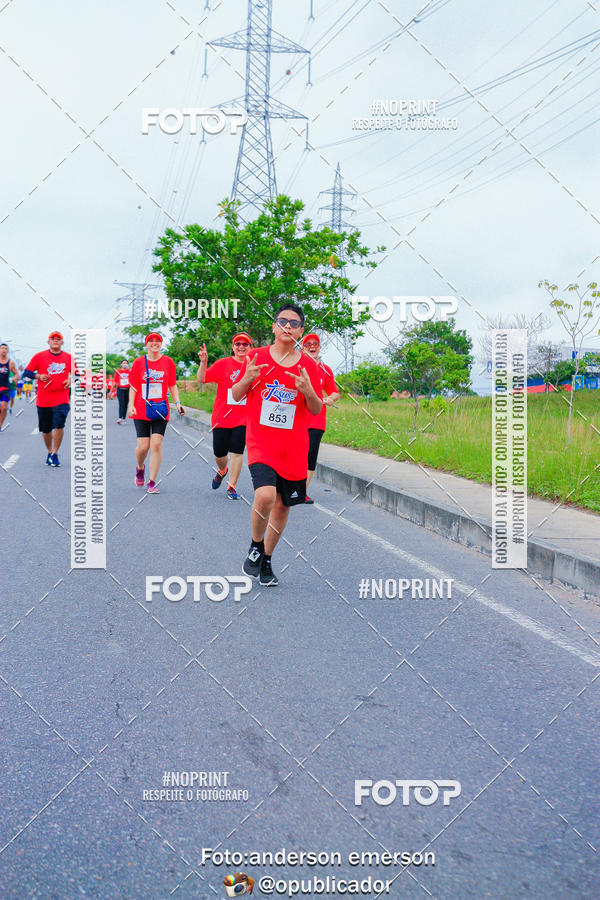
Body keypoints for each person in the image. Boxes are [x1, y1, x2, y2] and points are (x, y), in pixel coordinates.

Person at [231, 303, 322, 586]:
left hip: (294, 447)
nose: (287, 327)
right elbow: (235, 395)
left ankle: (267, 559)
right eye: (282, 321)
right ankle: (256, 545)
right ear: (273, 326)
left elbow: (317, 409)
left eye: (294, 324)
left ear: (301, 331)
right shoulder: (255, 358)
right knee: (266, 496)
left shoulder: (308, 366)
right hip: (261, 442)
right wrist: (246, 379)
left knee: (283, 507)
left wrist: (308, 391)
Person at [196, 332, 252, 499]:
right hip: (222, 416)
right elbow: (202, 379)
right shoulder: (223, 364)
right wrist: (203, 362)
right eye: (238, 344)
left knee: (237, 452)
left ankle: (232, 486)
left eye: (245, 344)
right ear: (233, 348)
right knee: (220, 454)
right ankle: (222, 470)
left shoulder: (254, 365)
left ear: (250, 347)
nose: (241, 347)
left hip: (243, 417)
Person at [128, 333, 184, 493]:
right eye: (151, 341)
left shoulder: (168, 362)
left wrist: (178, 403)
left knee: (156, 444)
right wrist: (131, 405)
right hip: (141, 408)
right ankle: (140, 467)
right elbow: (133, 386)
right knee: (143, 447)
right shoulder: (139, 362)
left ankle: (152, 481)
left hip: (160, 409)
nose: (154, 343)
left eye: (157, 341)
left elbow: (172, 384)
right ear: (146, 344)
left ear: (161, 343)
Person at [22, 332, 74, 465]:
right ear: (48, 342)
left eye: (58, 339)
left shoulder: (69, 358)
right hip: (44, 399)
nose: (55, 341)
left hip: (61, 397)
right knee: (46, 430)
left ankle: (55, 453)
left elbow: (78, 374)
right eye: (53, 339)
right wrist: (38, 376)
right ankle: (50, 451)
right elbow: (27, 372)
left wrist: (70, 379)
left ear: (62, 343)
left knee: (59, 424)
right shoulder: (39, 356)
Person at [300, 333, 339, 504]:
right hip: (297, 418)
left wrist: (331, 398)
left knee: (310, 456)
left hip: (316, 419)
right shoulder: (297, 365)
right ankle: (286, 487)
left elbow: (335, 392)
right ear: (302, 348)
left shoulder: (325, 369)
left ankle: (302, 492)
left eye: (315, 344)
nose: (312, 346)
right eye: (308, 344)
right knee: (295, 454)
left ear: (320, 347)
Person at [0, 344, 19, 431]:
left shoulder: (10, 362)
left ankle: (0, 424)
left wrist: (15, 377)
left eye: (5, 348)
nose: (4, 350)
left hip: (5, 388)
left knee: (4, 407)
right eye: (2, 348)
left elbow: (16, 374)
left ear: (7, 351)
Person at [114, 359, 131, 423]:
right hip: (120, 389)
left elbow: (133, 378)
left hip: (128, 389)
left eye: (126, 363)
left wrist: (129, 370)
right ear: (121, 364)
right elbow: (115, 381)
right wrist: (111, 391)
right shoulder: (118, 371)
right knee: (121, 403)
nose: (125, 364)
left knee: (125, 404)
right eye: (123, 363)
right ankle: (120, 418)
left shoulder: (129, 371)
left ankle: (124, 418)